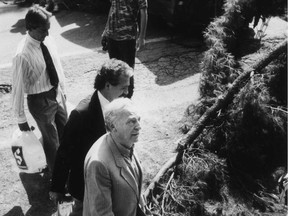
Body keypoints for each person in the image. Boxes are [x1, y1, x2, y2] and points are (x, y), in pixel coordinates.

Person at [49, 59, 133, 215]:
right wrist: (57, 187)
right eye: (123, 88)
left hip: (113, 181)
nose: (127, 93)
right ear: (108, 85)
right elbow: (65, 151)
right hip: (86, 187)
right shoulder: (81, 114)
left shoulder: (122, 105)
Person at [11, 5, 67, 173]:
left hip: (56, 93)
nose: (47, 34)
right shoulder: (22, 54)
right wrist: (21, 120)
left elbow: (56, 65)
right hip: (40, 101)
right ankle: (58, 181)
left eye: (48, 29)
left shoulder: (47, 40)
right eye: (43, 30)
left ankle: (68, 168)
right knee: (52, 142)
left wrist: (62, 90)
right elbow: (17, 88)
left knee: (67, 134)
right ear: (31, 28)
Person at [83, 98, 148, 216]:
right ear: (113, 126)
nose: (139, 127)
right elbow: (102, 213)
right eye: (131, 122)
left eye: (139, 120)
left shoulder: (125, 140)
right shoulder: (99, 164)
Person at [102, 0, 148, 98]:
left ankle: (127, 99)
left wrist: (142, 37)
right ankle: (116, 98)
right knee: (114, 71)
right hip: (112, 36)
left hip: (127, 37)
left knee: (127, 72)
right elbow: (112, 7)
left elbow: (143, 11)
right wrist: (106, 30)